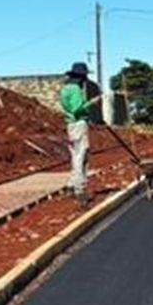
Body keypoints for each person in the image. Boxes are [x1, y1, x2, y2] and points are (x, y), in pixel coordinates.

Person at [60, 62, 93, 207]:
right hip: (78, 123)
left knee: (75, 155)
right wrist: (91, 104)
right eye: (84, 76)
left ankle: (72, 184)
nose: (85, 79)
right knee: (82, 156)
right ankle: (80, 189)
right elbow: (77, 109)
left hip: (70, 125)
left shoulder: (65, 89)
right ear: (80, 77)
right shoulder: (75, 90)